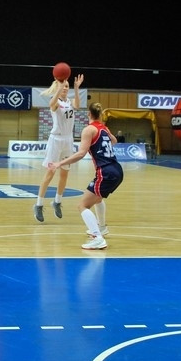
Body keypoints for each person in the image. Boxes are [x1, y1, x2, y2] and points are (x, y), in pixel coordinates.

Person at [48, 102, 123, 250]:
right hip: (117, 169)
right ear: (100, 115)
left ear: (89, 114)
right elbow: (114, 141)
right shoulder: (104, 128)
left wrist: (59, 163)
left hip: (105, 171)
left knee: (82, 205)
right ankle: (102, 228)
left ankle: (98, 237)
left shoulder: (89, 130)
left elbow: (81, 153)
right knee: (97, 198)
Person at [34, 72, 83, 222]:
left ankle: (57, 201)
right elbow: (51, 104)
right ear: (57, 88)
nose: (65, 88)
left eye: (67, 86)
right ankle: (38, 204)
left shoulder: (70, 102)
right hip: (55, 140)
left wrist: (76, 88)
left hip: (68, 140)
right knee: (50, 173)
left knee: (64, 174)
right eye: (63, 86)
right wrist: (59, 87)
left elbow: (77, 105)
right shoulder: (55, 101)